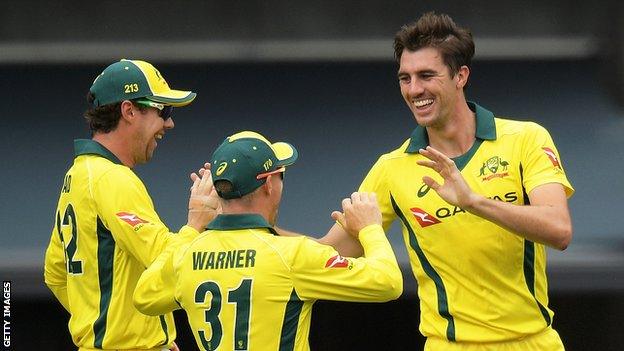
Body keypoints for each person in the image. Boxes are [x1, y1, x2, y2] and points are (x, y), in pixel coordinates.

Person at [319, 12, 574, 351]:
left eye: (426, 75)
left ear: (460, 76)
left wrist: (474, 202)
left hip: (533, 342)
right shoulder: (391, 168)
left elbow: (559, 230)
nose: (414, 90)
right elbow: (330, 251)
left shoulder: (525, 138)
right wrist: (253, 227)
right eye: (405, 78)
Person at [132, 131, 403, 351]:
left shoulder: (186, 253)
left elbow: (144, 297)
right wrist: (371, 228)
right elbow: (388, 283)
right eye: (280, 175)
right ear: (268, 185)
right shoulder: (292, 255)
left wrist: (192, 226)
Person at [44, 59, 218, 351]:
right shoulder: (112, 178)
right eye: (163, 110)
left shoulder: (78, 173)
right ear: (129, 110)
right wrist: (197, 221)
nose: (169, 122)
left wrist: (136, 329)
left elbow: (56, 271)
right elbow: (166, 262)